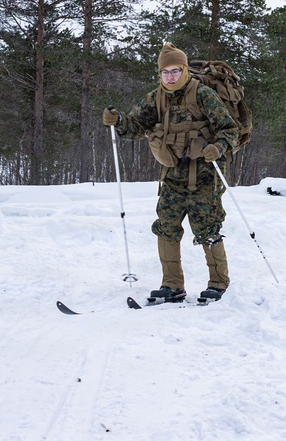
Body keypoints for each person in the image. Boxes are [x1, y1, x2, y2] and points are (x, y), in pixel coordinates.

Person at [102, 43, 241, 303]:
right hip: (172, 177)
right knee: (166, 228)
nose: (170, 77)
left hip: (206, 177)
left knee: (207, 229)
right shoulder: (156, 98)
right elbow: (136, 125)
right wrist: (119, 121)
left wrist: (217, 147)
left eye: (175, 71)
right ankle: (172, 284)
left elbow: (229, 129)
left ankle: (218, 282)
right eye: (165, 72)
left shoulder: (204, 95)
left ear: (185, 70)